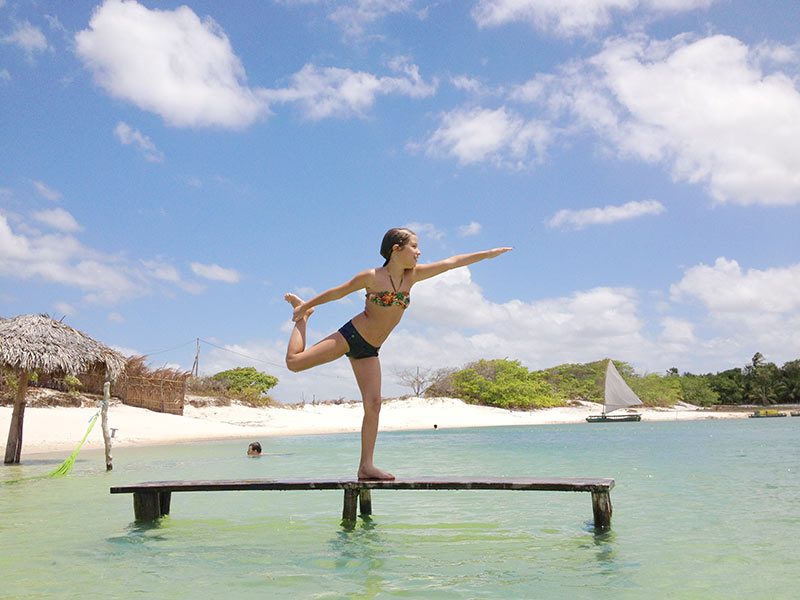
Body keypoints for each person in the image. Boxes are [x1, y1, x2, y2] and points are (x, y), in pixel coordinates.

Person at [284, 227, 512, 480]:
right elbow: (339, 292)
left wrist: (488, 254)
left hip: (371, 350)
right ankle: (303, 318)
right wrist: (307, 305)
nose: (419, 251)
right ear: (396, 248)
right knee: (294, 363)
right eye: (414, 246)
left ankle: (366, 466)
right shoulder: (372, 276)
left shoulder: (412, 276)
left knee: (374, 404)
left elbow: (452, 263)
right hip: (351, 336)